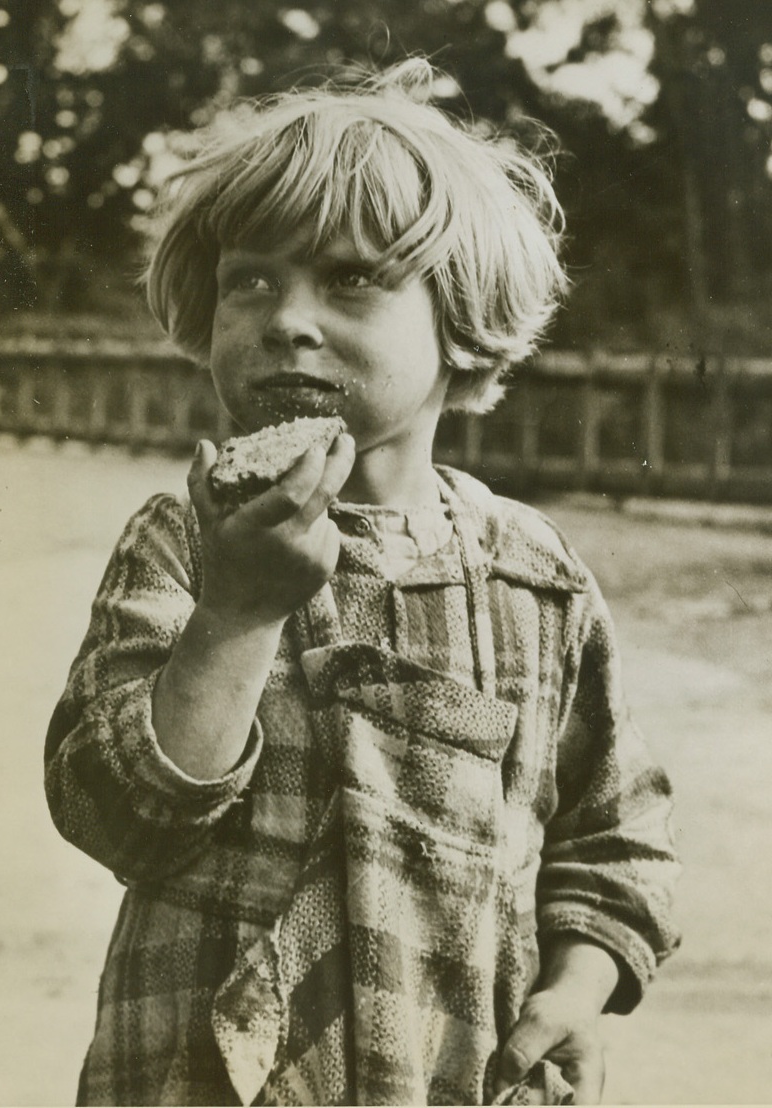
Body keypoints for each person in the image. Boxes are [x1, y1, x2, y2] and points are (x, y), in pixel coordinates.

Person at [44, 58, 680, 1107]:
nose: (287, 318)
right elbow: (113, 813)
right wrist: (238, 612)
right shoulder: (184, 540)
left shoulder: (535, 575)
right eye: (251, 280)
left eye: (349, 279)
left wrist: (576, 989)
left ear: (460, 328)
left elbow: (614, 836)